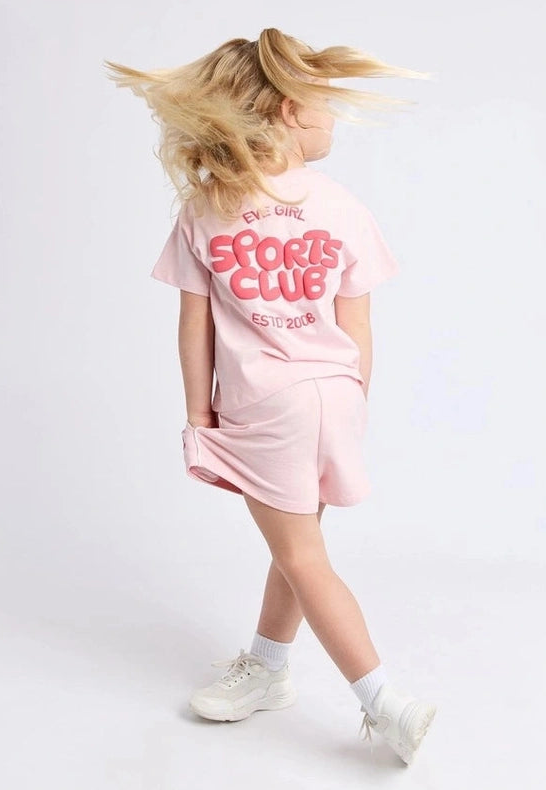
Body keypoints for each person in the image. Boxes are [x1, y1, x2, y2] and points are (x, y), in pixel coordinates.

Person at [105, 28, 437, 765]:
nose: (334, 119)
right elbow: (358, 324)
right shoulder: (343, 205)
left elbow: (194, 326)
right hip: (336, 397)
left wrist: (199, 413)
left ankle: (384, 702)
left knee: (302, 556)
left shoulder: (207, 208)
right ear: (290, 110)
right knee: (299, 547)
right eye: (326, 105)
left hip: (267, 406)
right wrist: (354, 404)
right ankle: (268, 666)